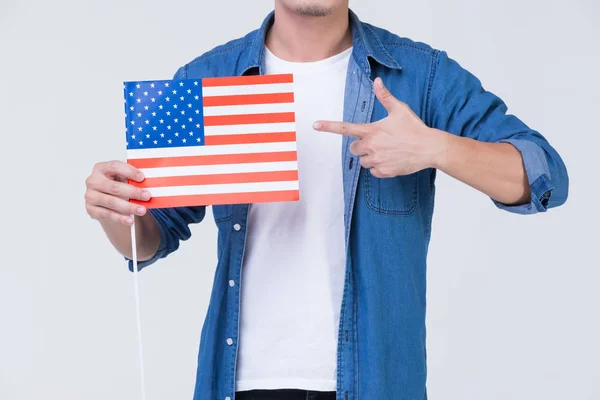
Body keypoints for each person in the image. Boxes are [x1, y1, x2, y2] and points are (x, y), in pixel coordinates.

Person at [84, 1, 569, 399]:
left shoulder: (420, 75)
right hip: (240, 382)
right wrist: (115, 209)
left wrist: (435, 148)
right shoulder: (206, 78)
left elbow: (543, 175)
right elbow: (149, 239)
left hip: (377, 383)